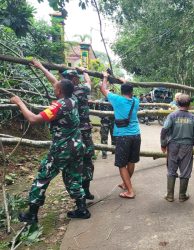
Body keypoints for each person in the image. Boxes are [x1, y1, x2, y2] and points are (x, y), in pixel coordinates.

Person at [14, 79, 90, 224]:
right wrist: (41, 67)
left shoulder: (58, 106)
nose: (53, 88)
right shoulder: (73, 99)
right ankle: (82, 209)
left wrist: (19, 103)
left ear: (60, 91)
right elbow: (57, 82)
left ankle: (32, 213)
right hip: (77, 146)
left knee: (42, 178)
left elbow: (33, 119)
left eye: (55, 87)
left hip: (62, 149)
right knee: (73, 177)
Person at [32, 60, 95, 200]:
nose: (61, 80)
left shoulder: (68, 96)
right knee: (85, 161)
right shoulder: (81, 90)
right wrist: (84, 71)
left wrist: (42, 67)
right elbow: (88, 82)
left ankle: (80, 196)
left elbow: (55, 82)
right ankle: (85, 193)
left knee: (72, 166)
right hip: (83, 133)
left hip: (70, 136)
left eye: (65, 78)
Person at [101, 72, 141, 199]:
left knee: (121, 164)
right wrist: (124, 81)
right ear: (132, 91)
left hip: (123, 136)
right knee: (131, 161)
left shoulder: (116, 99)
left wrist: (105, 77)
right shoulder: (136, 101)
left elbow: (103, 89)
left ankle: (130, 191)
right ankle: (125, 183)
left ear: (121, 91)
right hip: (136, 135)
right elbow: (129, 91)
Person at [160, 94, 194, 202]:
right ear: (189, 105)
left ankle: (169, 195)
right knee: (186, 170)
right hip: (187, 146)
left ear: (177, 104)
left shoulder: (172, 116)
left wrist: (163, 144)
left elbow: (164, 130)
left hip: (172, 145)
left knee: (171, 169)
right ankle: (182, 196)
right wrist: (192, 144)